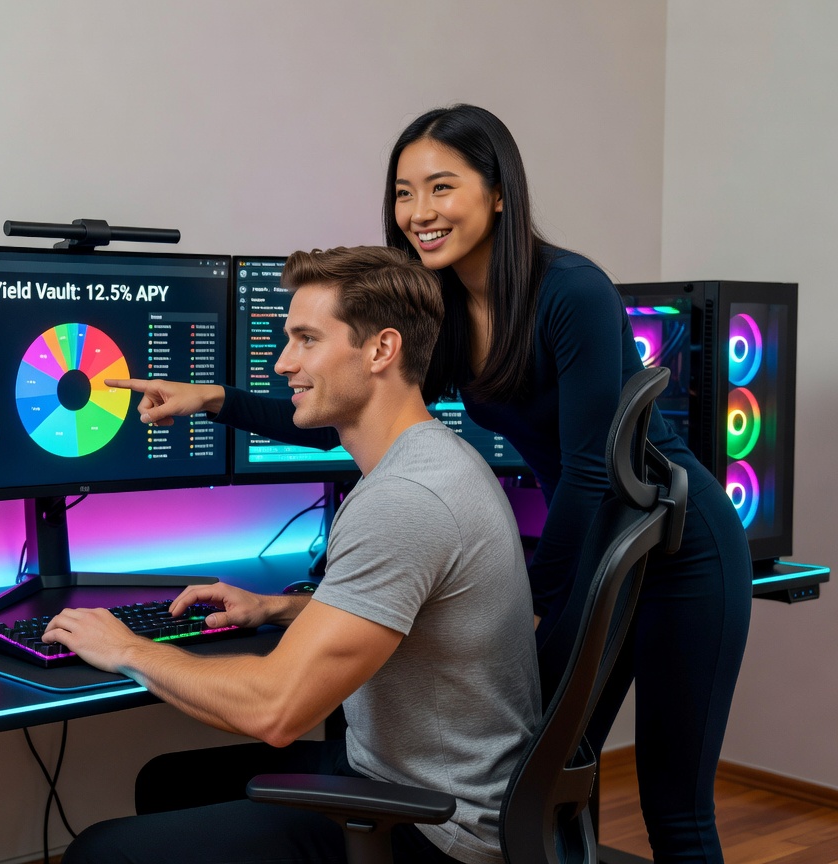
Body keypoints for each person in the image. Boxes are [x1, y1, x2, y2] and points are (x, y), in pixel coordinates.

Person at [119, 105, 753, 863]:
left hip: (680, 543)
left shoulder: (570, 291)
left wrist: (539, 602)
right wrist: (215, 399)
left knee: (672, 808)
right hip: (595, 535)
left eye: (441, 187)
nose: (419, 213)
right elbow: (345, 411)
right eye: (403, 192)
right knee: (546, 771)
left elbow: (591, 472)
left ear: (498, 193)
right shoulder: (444, 304)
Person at [48, 246, 540, 864]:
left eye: (306, 339)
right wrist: (276, 609)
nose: (283, 363)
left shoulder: (405, 499)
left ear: (381, 350)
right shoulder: (431, 458)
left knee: (99, 853)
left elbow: (276, 710)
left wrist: (124, 649)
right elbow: (402, 614)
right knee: (167, 783)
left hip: (437, 827)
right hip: (417, 775)